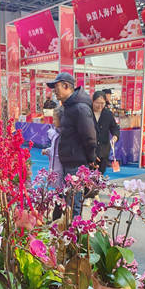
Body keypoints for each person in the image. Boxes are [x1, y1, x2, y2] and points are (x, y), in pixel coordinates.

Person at [47, 72, 97, 218]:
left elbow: (89, 136)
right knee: (68, 201)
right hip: (69, 162)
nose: (54, 91)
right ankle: (68, 227)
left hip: (76, 163)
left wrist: (91, 158)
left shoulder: (80, 108)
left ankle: (75, 229)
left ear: (66, 86)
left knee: (74, 202)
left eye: (56, 87)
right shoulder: (69, 107)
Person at [92, 91, 120, 174]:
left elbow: (114, 127)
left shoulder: (108, 114)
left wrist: (115, 136)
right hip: (90, 150)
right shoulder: (87, 113)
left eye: (102, 103)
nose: (100, 106)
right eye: (97, 103)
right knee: (88, 175)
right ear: (93, 101)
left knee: (101, 174)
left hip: (103, 149)